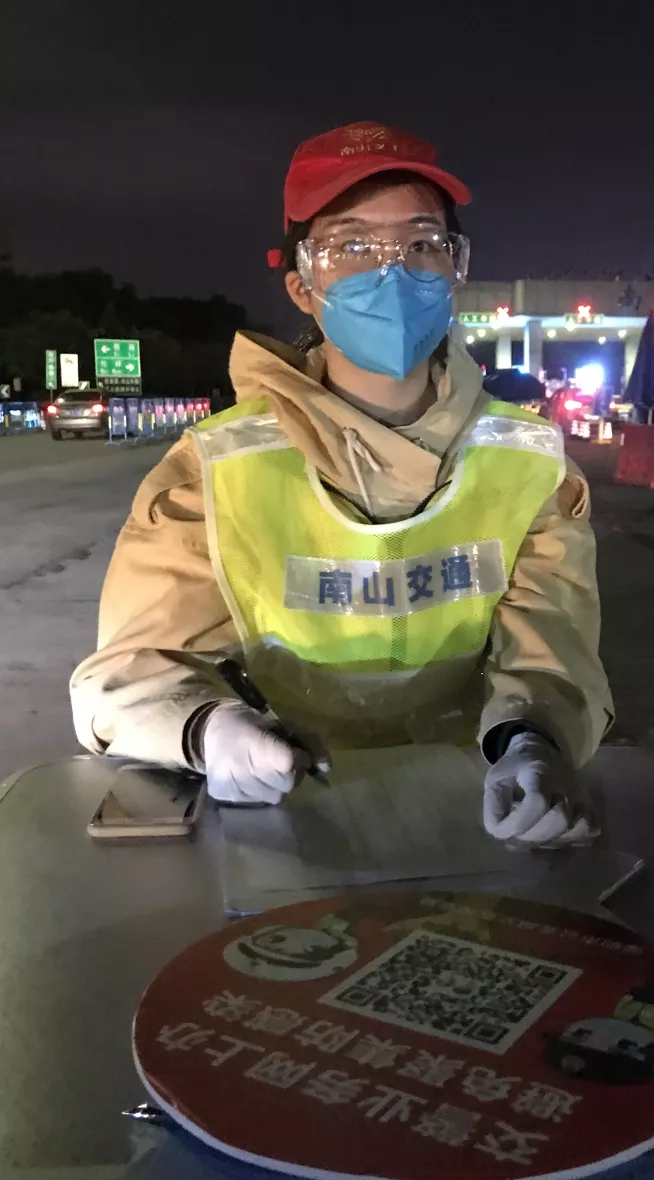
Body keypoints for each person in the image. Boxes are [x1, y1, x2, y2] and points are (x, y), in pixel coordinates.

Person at [70, 121, 613, 846]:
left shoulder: (530, 465)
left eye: (421, 244)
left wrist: (533, 740)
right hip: (282, 815)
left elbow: (552, 654)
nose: (392, 274)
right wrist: (209, 728)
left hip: (478, 814)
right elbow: (129, 672)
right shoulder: (213, 472)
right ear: (302, 285)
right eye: (352, 247)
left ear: (455, 268)